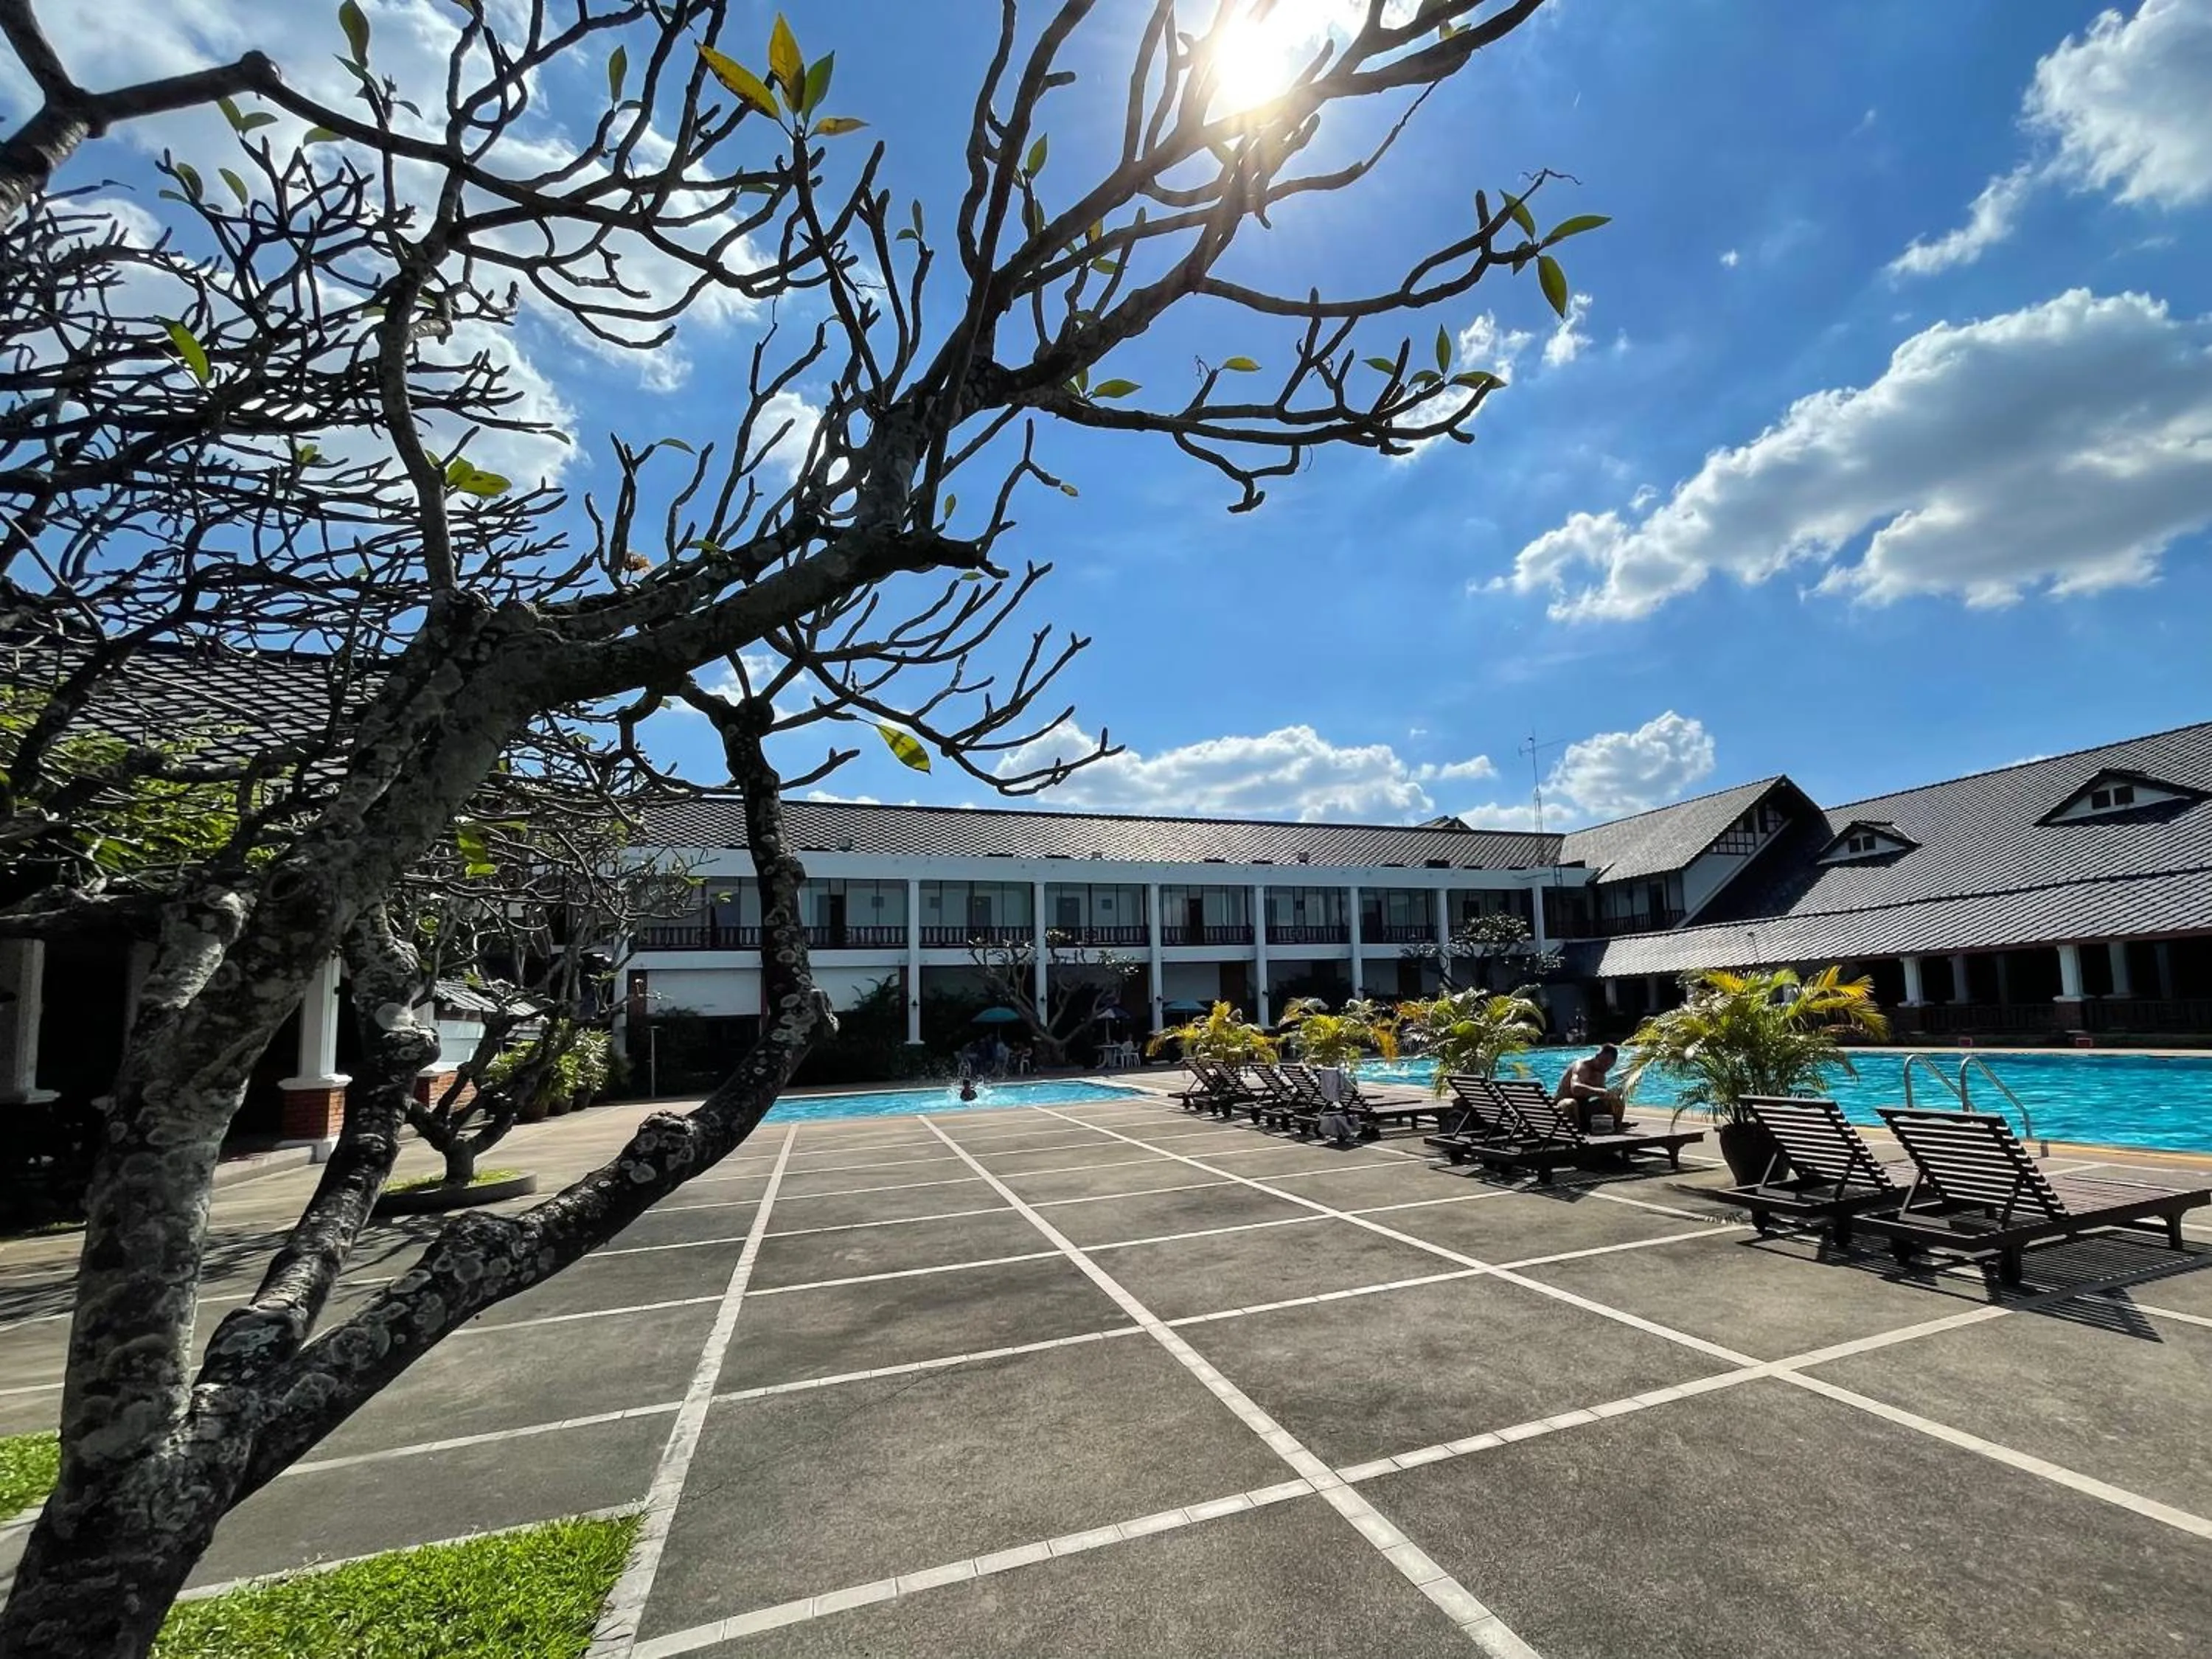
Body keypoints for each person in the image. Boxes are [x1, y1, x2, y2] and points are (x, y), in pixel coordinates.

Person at [1556, 1043, 1627, 1131]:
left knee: (1616, 1099)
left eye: (1608, 1066)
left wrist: (1612, 1095)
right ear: (1597, 1056)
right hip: (1562, 1108)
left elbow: (1600, 1094)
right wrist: (1602, 1092)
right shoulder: (1582, 1067)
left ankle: (1615, 1127)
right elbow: (1575, 1089)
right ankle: (1577, 1134)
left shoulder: (1600, 1073)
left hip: (1583, 1109)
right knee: (1570, 1104)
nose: (1604, 1067)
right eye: (1602, 1062)